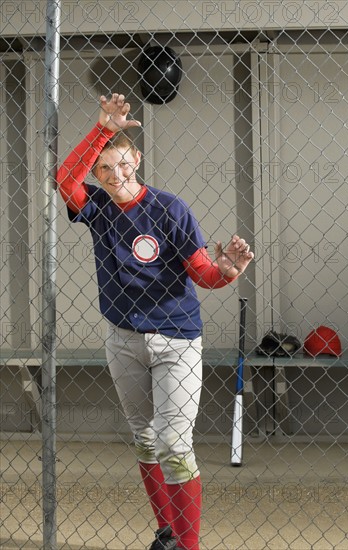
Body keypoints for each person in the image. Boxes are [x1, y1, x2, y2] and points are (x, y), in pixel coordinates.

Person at [56, 93, 254, 550]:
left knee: (174, 444)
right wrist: (103, 129)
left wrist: (225, 274)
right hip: (122, 339)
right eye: (105, 169)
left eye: (123, 164)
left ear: (137, 159)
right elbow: (65, 178)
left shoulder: (170, 208)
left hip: (176, 340)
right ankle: (167, 532)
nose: (116, 175)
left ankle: (188, 546)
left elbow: (202, 272)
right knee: (145, 440)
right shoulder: (99, 208)